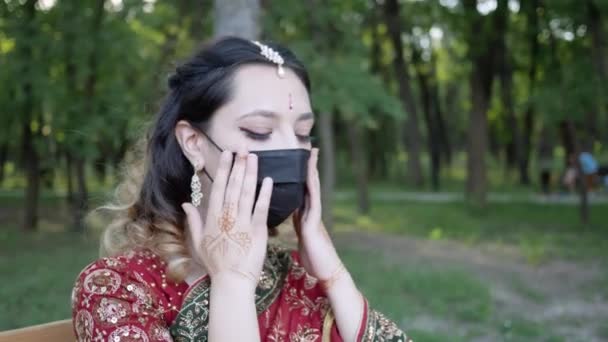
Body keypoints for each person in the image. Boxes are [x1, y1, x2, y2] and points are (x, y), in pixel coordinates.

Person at [71, 37, 409, 342]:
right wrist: (232, 283)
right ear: (193, 142)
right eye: (260, 132)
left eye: (304, 133)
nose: (292, 150)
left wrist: (333, 274)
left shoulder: (295, 273)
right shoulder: (117, 289)